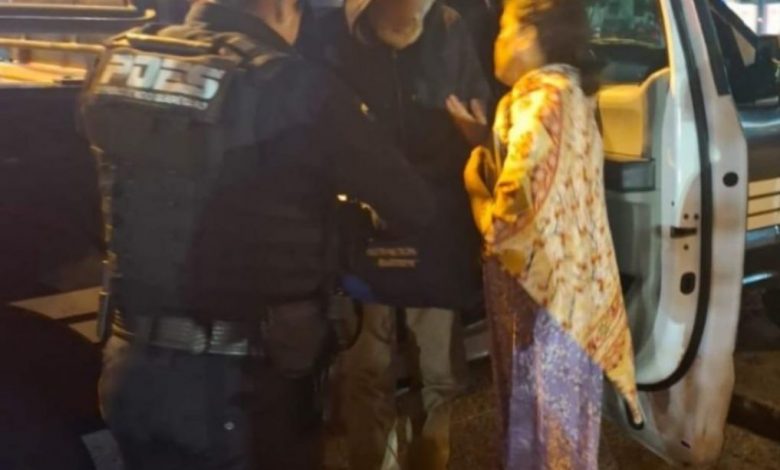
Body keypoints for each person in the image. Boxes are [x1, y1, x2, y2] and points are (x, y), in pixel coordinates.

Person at [79, 0, 435, 468]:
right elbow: (412, 205)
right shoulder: (292, 85)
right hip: (242, 391)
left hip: (131, 370)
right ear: (282, 7)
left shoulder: (116, 61)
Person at [307, 1, 491, 469]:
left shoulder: (447, 27)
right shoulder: (332, 38)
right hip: (363, 227)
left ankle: (436, 457)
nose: (411, 14)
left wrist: (477, 135)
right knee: (365, 370)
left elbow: (478, 114)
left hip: (435, 223)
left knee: (440, 371)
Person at [461, 0, 643, 468]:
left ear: (527, 35)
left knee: (545, 438)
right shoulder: (567, 94)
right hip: (566, 302)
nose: (495, 42)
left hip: (544, 308)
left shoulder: (542, 103)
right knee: (558, 435)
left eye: (502, 29)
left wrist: (474, 191)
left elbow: (511, 219)